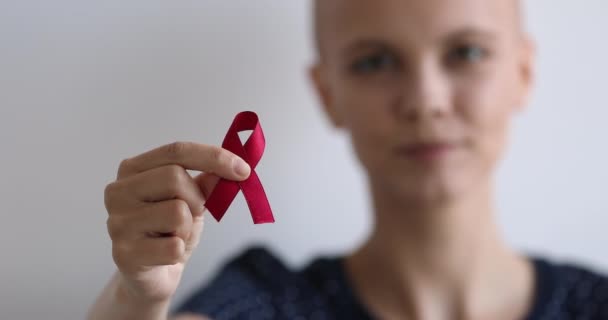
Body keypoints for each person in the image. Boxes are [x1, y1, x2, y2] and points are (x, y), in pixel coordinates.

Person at [88, 0, 608, 319]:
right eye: (375, 61)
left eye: (466, 52)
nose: (425, 100)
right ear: (328, 93)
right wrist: (138, 296)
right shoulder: (266, 301)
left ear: (522, 73)